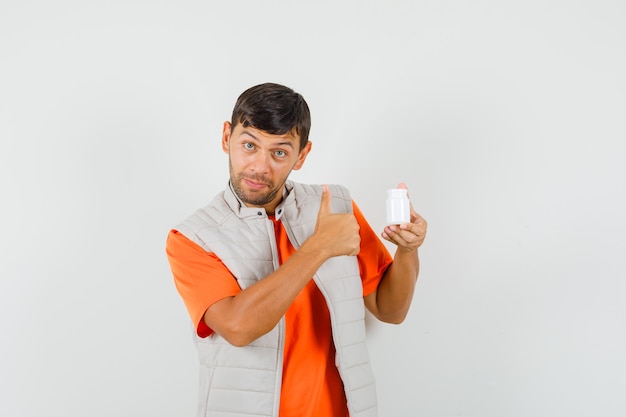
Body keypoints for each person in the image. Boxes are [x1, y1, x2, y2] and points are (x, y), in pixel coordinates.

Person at [165, 82, 427, 417]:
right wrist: (318, 248)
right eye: (249, 145)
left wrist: (408, 251)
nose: (260, 167)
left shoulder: (335, 206)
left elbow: (390, 311)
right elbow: (238, 328)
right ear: (226, 137)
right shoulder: (193, 237)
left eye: (279, 152)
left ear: (301, 155)